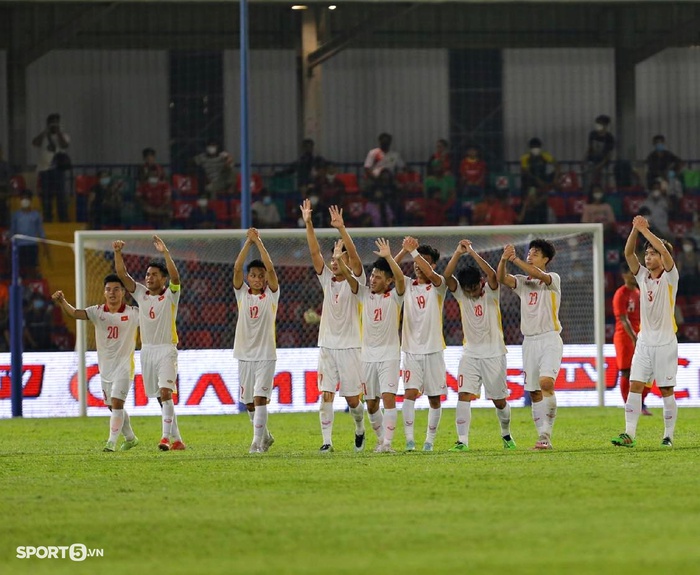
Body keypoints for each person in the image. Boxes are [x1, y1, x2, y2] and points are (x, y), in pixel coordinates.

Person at [301, 200, 366, 452]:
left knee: (353, 400)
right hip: (327, 345)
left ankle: (360, 427)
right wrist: (309, 224)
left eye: (340, 257)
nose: (335, 260)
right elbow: (315, 253)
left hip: (350, 347)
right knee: (325, 394)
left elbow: (357, 260)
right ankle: (327, 442)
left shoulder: (357, 281)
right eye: (334, 257)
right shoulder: (327, 279)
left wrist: (342, 229)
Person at [113, 235, 186, 451]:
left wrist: (165, 252)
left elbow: (176, 277)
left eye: (154, 274)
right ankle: (178, 441)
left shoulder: (171, 295)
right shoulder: (141, 294)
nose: (149, 278)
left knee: (166, 393)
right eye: (147, 274)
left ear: (163, 279)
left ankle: (164, 439)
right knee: (159, 398)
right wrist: (118, 253)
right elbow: (122, 275)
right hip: (147, 352)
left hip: (167, 350)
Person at [612, 216, 679, 448]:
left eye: (653, 254)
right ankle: (629, 433)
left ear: (663, 257)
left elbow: (664, 249)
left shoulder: (671, 277)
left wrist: (646, 231)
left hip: (665, 342)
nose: (648, 257)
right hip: (644, 343)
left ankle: (668, 436)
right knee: (636, 386)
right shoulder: (642, 276)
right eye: (647, 254)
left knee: (666, 389)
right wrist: (634, 230)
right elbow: (629, 254)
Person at [52, 275, 140, 452]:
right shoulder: (97, 311)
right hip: (105, 368)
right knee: (112, 405)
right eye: (108, 289)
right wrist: (62, 302)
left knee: (116, 403)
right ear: (104, 292)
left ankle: (111, 443)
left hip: (125, 367)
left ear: (123, 292)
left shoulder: (134, 313)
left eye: (116, 289)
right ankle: (130, 438)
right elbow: (76, 313)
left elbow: (153, 319)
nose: (112, 293)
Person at [443, 240, 516, 451]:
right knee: (464, 395)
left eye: (474, 288)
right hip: (470, 354)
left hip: (494, 354)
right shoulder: (461, 295)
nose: (471, 292)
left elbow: (493, 275)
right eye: (467, 289)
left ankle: (506, 434)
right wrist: (457, 253)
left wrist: (472, 252)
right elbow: (447, 277)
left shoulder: (491, 292)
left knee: (499, 401)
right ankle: (462, 441)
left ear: (480, 283)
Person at [334, 237, 405, 452]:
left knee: (388, 397)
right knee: (372, 404)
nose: (372, 279)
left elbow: (400, 279)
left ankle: (388, 443)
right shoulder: (364, 294)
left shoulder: (395, 296)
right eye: (372, 275)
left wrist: (389, 257)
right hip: (367, 357)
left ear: (388, 281)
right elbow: (348, 276)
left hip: (390, 355)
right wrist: (339, 259)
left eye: (378, 277)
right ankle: (381, 440)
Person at [497, 239, 562, 450]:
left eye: (536, 253)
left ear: (546, 259)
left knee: (546, 384)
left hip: (550, 338)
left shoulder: (552, 279)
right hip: (529, 341)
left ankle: (546, 434)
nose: (531, 255)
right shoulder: (523, 282)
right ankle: (541, 436)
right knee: (534, 391)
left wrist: (514, 258)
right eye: (530, 252)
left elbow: (539, 275)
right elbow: (500, 278)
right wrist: (504, 260)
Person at [392, 237, 446, 451]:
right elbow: (390, 270)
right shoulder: (406, 284)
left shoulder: (438, 285)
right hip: (411, 350)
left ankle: (429, 442)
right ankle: (410, 441)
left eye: (423, 260)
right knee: (409, 394)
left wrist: (414, 253)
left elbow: (432, 276)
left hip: (433, 350)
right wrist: (404, 251)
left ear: (432, 265)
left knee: (434, 398)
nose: (416, 263)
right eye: (416, 260)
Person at [233, 228, 280, 454]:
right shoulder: (242, 294)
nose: (259, 279)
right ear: (248, 278)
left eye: (261, 276)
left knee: (261, 398)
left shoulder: (271, 295)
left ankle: (256, 444)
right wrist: (248, 243)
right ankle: (266, 436)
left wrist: (258, 242)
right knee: (249, 403)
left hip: (265, 355)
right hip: (244, 354)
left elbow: (270, 268)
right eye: (254, 275)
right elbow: (236, 268)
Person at [612, 262, 651, 415]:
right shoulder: (620, 294)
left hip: (640, 334)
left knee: (645, 372)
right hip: (624, 337)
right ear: (624, 275)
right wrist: (634, 338)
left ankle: (640, 403)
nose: (634, 275)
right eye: (630, 272)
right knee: (626, 372)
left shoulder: (638, 292)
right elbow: (623, 318)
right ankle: (629, 406)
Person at [32, 113, 71, 222]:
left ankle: (63, 218)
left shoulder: (63, 135)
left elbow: (64, 145)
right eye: (51, 123)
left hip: (58, 169)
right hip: (45, 170)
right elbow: (35, 143)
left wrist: (58, 132)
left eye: (55, 122)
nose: (53, 125)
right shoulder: (44, 136)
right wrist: (46, 132)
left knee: (60, 195)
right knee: (46, 196)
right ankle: (48, 218)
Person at [10, 190, 49, 278]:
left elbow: (40, 230)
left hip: (32, 245)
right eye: (23, 198)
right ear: (20, 200)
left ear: (30, 200)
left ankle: (32, 283)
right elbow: (13, 231)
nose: (25, 200)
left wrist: (44, 245)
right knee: (21, 267)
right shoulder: (16, 215)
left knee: (32, 266)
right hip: (20, 246)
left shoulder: (36, 215)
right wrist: (10, 245)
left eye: (27, 198)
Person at [582, 114, 615, 193]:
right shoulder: (592, 134)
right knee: (588, 179)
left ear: (605, 125)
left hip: (603, 164)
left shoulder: (609, 137)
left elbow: (608, 155)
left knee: (603, 181)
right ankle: (587, 195)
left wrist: (600, 166)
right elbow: (589, 148)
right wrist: (584, 159)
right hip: (591, 161)